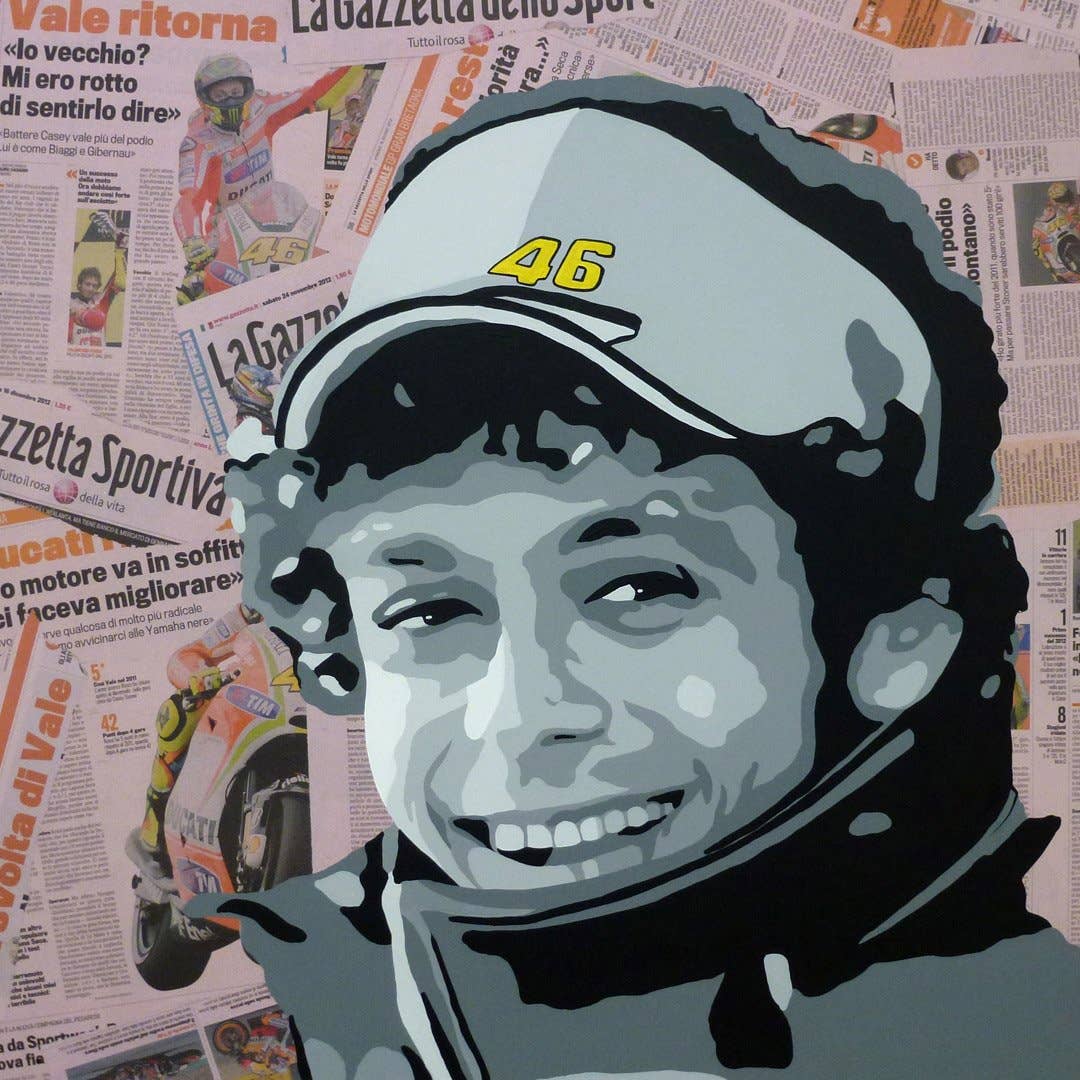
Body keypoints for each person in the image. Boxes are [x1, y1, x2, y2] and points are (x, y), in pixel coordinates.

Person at [190, 80, 1080, 1077]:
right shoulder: (309, 1013)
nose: (524, 716)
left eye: (637, 591)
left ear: (895, 631)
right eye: (431, 609)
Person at [173, 54, 352, 282]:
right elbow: (189, 198)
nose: (230, 100)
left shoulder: (262, 108)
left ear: (247, 88)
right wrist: (193, 241)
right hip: (226, 231)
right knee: (196, 285)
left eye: (236, 91)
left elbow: (312, 95)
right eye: (221, 95)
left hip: (276, 219)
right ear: (205, 98)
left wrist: (353, 62)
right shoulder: (197, 141)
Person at [136, 602, 263, 872]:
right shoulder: (259, 609)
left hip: (308, 714)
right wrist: (201, 678)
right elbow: (186, 656)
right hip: (257, 701)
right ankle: (157, 815)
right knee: (178, 713)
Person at [69, 219, 126, 346]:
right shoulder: (70, 303)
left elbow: (120, 283)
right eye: (87, 284)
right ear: (79, 285)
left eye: (94, 286)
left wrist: (119, 251)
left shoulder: (101, 301)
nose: (90, 288)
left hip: (101, 356)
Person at [1032, 180, 1080, 283]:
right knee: (1037, 248)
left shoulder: (1075, 201)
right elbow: (1045, 216)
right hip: (1059, 231)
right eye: (1060, 199)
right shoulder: (1050, 206)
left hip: (1072, 227)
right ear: (1053, 199)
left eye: (1065, 196)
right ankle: (1054, 271)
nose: (1064, 200)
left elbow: (1075, 211)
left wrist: (1076, 216)